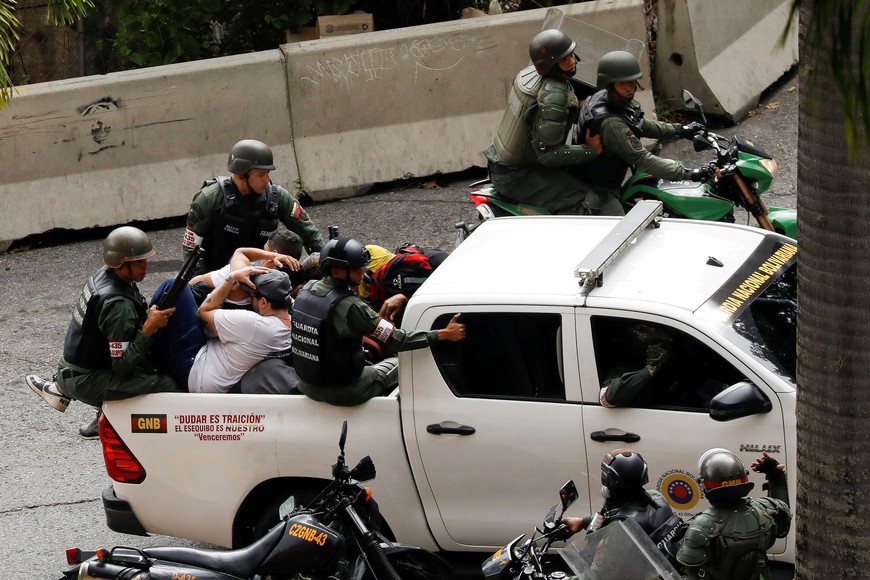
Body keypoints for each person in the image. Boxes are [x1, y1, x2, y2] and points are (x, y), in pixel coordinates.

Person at [26, 226, 179, 439]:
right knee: (166, 384)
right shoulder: (118, 305)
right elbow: (122, 367)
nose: (146, 266)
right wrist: (148, 329)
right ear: (121, 265)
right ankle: (116, 423)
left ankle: (105, 415)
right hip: (85, 379)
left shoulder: (105, 274)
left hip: (76, 368)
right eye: (139, 262)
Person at [291, 237, 466, 406]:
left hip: (309, 385)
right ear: (336, 271)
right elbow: (399, 340)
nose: (362, 273)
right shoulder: (351, 307)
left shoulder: (307, 290)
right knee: (403, 362)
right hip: (345, 390)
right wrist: (443, 334)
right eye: (356, 269)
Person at [482, 29, 605, 215]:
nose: (573, 61)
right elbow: (548, 155)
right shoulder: (553, 95)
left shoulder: (529, 74)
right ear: (551, 65)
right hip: (518, 175)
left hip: (503, 164)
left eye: (572, 54)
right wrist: (591, 150)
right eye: (565, 59)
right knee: (588, 199)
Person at [575, 50, 714, 210]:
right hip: (599, 189)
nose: (629, 88)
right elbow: (643, 160)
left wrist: (681, 130)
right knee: (626, 231)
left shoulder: (606, 98)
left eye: (631, 81)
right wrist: (691, 173)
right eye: (622, 83)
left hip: (599, 177)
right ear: (610, 84)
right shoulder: (612, 123)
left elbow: (640, 124)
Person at [182, 139, 324, 276]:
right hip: (216, 278)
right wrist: (200, 286)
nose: (267, 180)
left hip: (262, 277)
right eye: (261, 175)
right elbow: (191, 249)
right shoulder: (209, 198)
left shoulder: (278, 198)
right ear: (240, 176)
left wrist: (325, 264)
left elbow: (309, 234)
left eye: (268, 173)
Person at [677, 449, 791, 579]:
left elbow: (688, 574)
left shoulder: (701, 527)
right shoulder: (765, 511)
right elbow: (783, 521)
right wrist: (776, 475)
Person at [561, 449, 684, 564]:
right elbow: (621, 515)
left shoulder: (621, 529)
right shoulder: (656, 498)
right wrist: (584, 522)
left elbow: (596, 574)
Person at [186, 267, 295, 394]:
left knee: (175, 287)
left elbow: (204, 312)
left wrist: (231, 278)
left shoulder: (255, 325)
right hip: (225, 383)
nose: (249, 300)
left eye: (252, 297)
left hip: (197, 373)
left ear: (264, 302)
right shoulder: (294, 321)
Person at [188, 229, 303, 309]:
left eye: (264, 250)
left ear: (274, 255)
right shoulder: (285, 297)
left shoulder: (244, 277)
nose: (261, 254)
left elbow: (240, 252)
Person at [598, 322, 672, 408]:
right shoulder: (622, 366)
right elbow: (610, 396)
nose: (661, 350)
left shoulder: (670, 366)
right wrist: (650, 368)